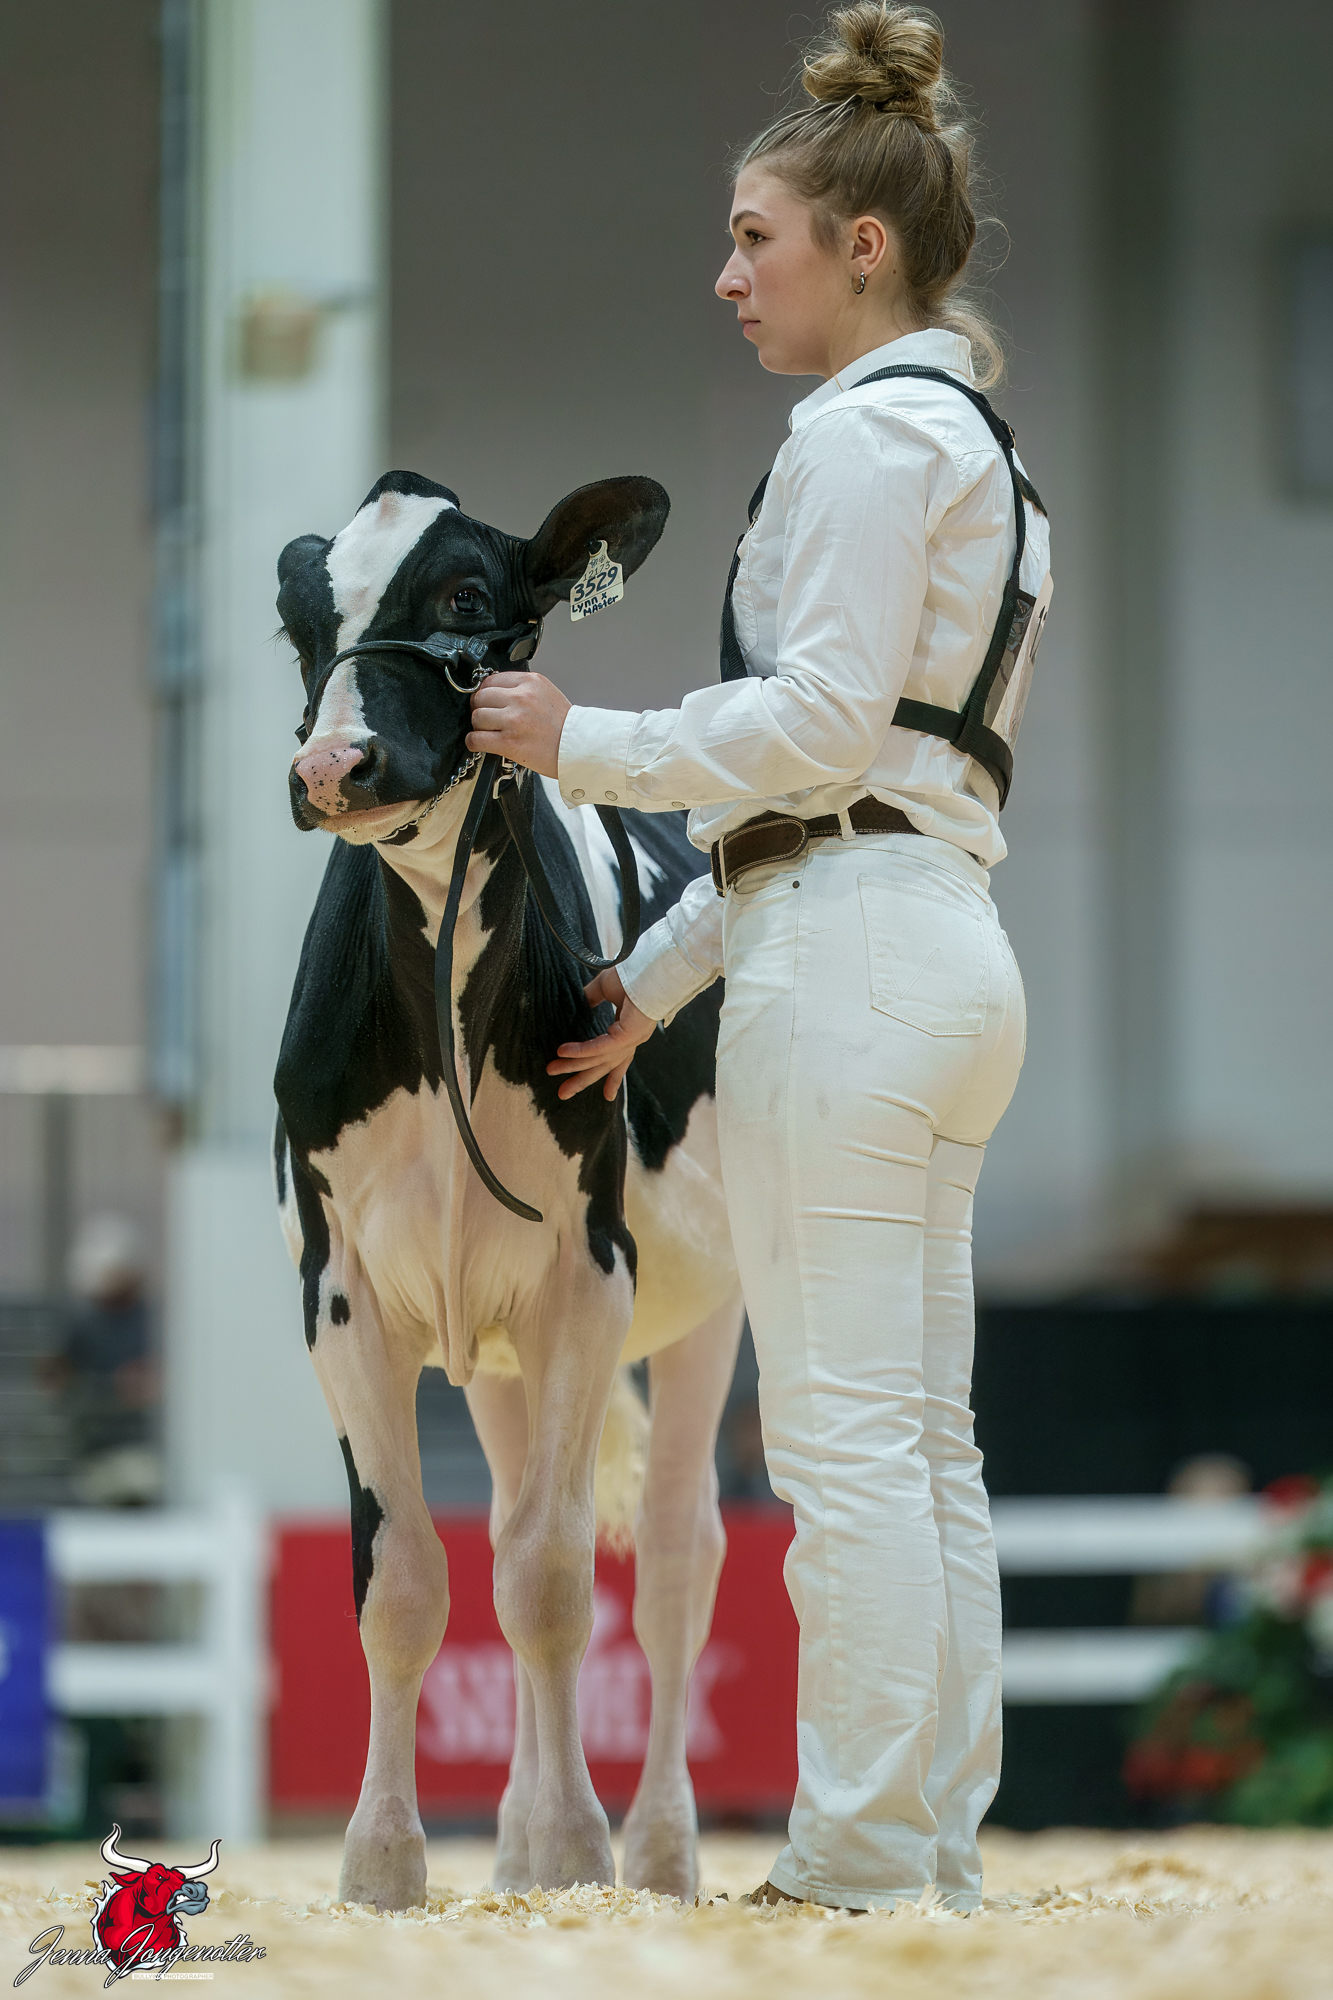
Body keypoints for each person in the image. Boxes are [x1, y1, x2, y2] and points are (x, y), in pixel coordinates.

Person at [468, 1, 1049, 1913]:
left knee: (844, 1441)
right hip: (924, 935)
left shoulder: (868, 433)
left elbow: (813, 726)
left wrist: (587, 741)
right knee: (919, 1438)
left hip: (860, 963)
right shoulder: (977, 448)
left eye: (753, 238)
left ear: (859, 246)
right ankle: (923, 1845)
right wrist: (653, 981)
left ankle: (859, 1860)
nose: (726, 276)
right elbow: (858, 778)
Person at [42, 1214, 163, 1507]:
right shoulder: (81, 1323)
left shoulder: (150, 1320)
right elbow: (54, 1377)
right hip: (93, 1448)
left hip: (140, 1447)